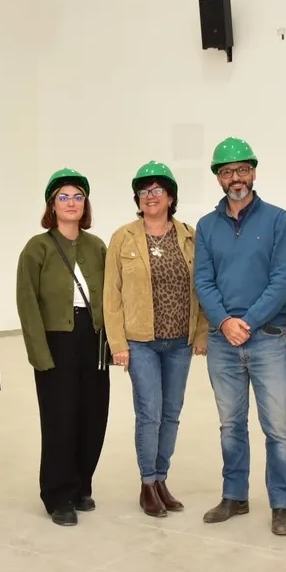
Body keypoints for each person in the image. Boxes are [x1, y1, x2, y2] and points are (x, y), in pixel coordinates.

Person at [194, 138, 286, 537]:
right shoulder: (206, 226)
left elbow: (283, 279)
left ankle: (281, 503)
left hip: (266, 337)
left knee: (278, 426)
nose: (235, 178)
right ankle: (235, 496)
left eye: (241, 170)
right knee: (230, 424)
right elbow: (203, 280)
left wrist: (248, 322)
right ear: (218, 178)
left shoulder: (277, 220)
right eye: (226, 171)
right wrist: (224, 323)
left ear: (253, 172)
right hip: (223, 341)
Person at [103, 161, 208, 518]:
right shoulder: (124, 237)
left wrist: (201, 333)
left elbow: (203, 286)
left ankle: (162, 478)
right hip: (140, 342)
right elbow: (111, 295)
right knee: (149, 412)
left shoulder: (190, 236)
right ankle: (147, 482)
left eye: (157, 190)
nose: (150, 197)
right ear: (138, 198)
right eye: (144, 192)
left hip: (179, 340)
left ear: (170, 196)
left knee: (171, 413)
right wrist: (117, 343)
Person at [16, 168, 109, 527]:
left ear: (85, 204)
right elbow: (27, 302)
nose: (71, 203)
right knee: (60, 418)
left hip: (93, 338)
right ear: (51, 205)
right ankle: (57, 494)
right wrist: (39, 353)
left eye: (78, 196)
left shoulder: (97, 246)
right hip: (57, 339)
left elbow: (112, 296)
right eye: (63, 197)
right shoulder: (36, 248)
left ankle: (82, 484)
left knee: (93, 414)